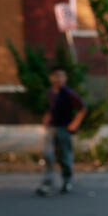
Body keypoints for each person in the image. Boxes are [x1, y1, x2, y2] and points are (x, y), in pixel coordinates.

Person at [36, 65, 86, 196]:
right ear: (52, 77)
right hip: (51, 128)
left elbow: (82, 108)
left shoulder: (69, 93)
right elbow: (50, 109)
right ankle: (47, 183)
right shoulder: (50, 93)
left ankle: (67, 181)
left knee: (65, 156)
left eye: (62, 76)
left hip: (64, 128)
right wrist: (46, 118)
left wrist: (75, 124)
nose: (60, 79)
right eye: (57, 76)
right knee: (48, 155)